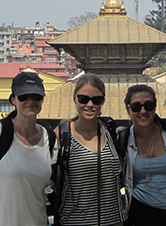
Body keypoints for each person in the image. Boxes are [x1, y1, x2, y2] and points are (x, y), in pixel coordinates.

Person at [0, 71, 55, 226]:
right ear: (13, 100)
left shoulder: (48, 138)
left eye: (36, 97)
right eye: (23, 96)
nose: (30, 101)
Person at [56, 74, 124, 226]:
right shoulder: (61, 136)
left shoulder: (110, 131)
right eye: (83, 99)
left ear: (103, 102)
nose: (90, 104)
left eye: (97, 100)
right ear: (74, 99)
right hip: (75, 221)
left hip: (113, 220)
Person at [120, 84, 166, 226]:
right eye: (136, 107)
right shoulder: (123, 139)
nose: (143, 111)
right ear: (128, 110)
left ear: (155, 107)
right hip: (139, 211)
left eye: (149, 105)